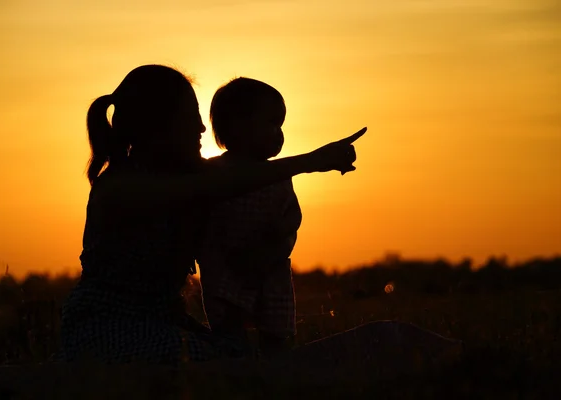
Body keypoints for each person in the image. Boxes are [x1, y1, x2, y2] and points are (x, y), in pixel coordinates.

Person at [56, 64, 365, 365]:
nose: (203, 128)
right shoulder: (121, 186)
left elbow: (235, 179)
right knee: (223, 364)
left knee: (237, 357)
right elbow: (223, 183)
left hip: (163, 320)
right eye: (192, 118)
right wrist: (311, 161)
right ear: (160, 125)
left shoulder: (189, 176)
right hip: (107, 328)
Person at [197, 78, 301, 358]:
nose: (279, 134)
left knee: (276, 333)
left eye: (281, 125)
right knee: (230, 334)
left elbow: (292, 213)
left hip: (270, 267)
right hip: (226, 269)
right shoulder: (213, 173)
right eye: (272, 123)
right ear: (237, 126)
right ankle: (236, 368)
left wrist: (281, 236)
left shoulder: (279, 174)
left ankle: (276, 369)